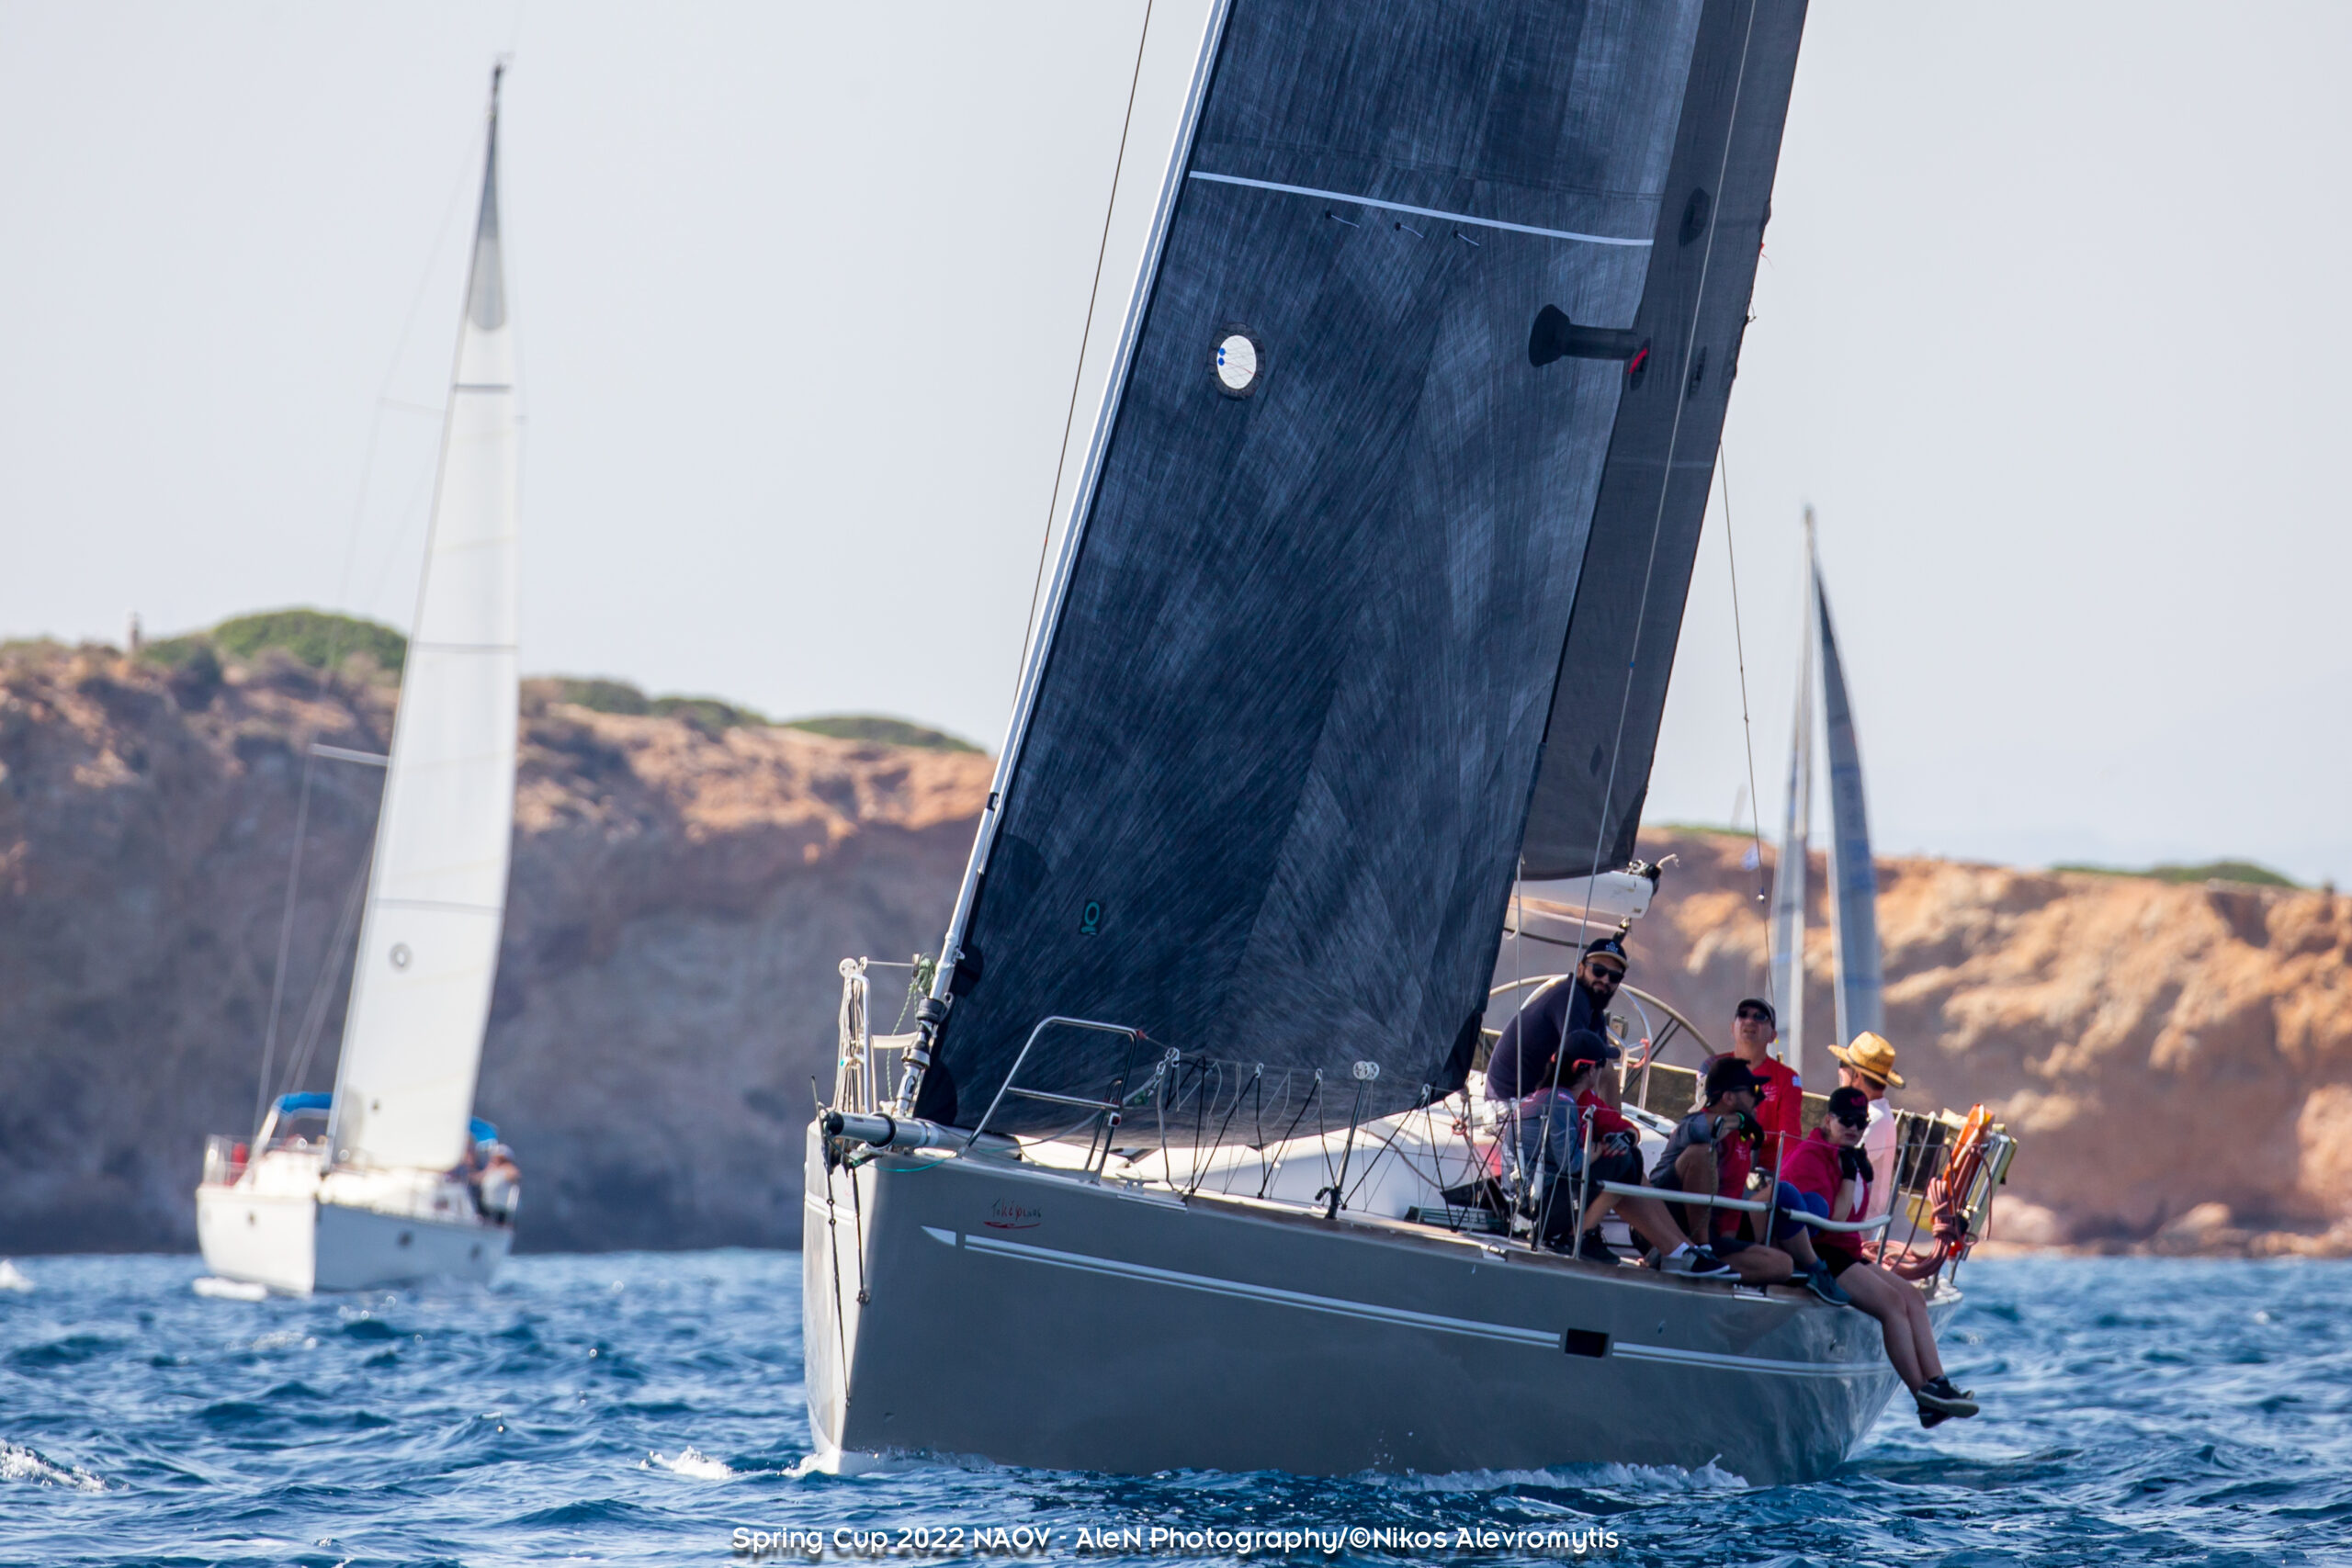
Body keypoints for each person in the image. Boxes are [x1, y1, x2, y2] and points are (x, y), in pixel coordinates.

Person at [1782, 1087, 1977, 1425]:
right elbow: (1834, 1219)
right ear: (1828, 1119)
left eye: (1861, 1122)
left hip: (1846, 1250)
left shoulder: (1848, 1157)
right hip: (1821, 1251)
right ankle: (1923, 1396)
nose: (1854, 1129)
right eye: (1846, 1121)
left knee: (1913, 1299)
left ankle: (1938, 1383)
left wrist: (1852, 1171)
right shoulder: (1813, 1155)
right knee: (1891, 1306)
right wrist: (1847, 1176)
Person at [1648, 1058, 1848, 1301]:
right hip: (1668, 1223)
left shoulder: (1743, 1140)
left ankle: (1710, 1265)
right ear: (1729, 1098)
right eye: (1753, 1091)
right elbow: (1705, 1129)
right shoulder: (1694, 1123)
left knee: (1786, 1257)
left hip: (1716, 1233)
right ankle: (1695, 1252)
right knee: (1702, 1153)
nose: (1760, 1097)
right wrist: (1742, 1120)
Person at [1537, 1033, 1728, 1275]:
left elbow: (1621, 1125)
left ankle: (1682, 1249)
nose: (1605, 1070)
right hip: (1542, 1207)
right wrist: (1596, 1153)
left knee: (1630, 1158)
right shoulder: (1558, 1101)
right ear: (1588, 1071)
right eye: (1601, 1065)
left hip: (1562, 1197)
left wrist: (1626, 1137)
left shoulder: (1584, 1099)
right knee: (1623, 1161)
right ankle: (1579, 1237)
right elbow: (1568, 1163)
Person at [1486, 936, 1628, 1102]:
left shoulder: (1594, 1011)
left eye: (1614, 976)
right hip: (1509, 1104)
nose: (1605, 980)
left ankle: (1613, 1127)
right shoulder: (1570, 997)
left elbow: (1599, 1064)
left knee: (1603, 1067)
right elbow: (1579, 1061)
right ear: (1580, 969)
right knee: (1592, 1069)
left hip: (1535, 1098)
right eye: (1598, 970)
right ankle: (1608, 1126)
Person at [1709, 998, 1804, 1168]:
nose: (1750, 1021)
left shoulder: (1787, 1078)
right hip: (1716, 1165)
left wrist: (1781, 1181)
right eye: (1743, 1015)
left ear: (1772, 1036)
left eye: (1760, 1017)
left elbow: (1789, 1138)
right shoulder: (1712, 1066)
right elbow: (1704, 1120)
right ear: (1733, 1028)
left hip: (1762, 1175)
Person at [1827, 1031, 1904, 1222]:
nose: (1839, 1071)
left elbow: (1837, 1167)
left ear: (1856, 1075)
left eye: (1843, 1065)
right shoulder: (1876, 1114)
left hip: (1854, 1228)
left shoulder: (1872, 1118)